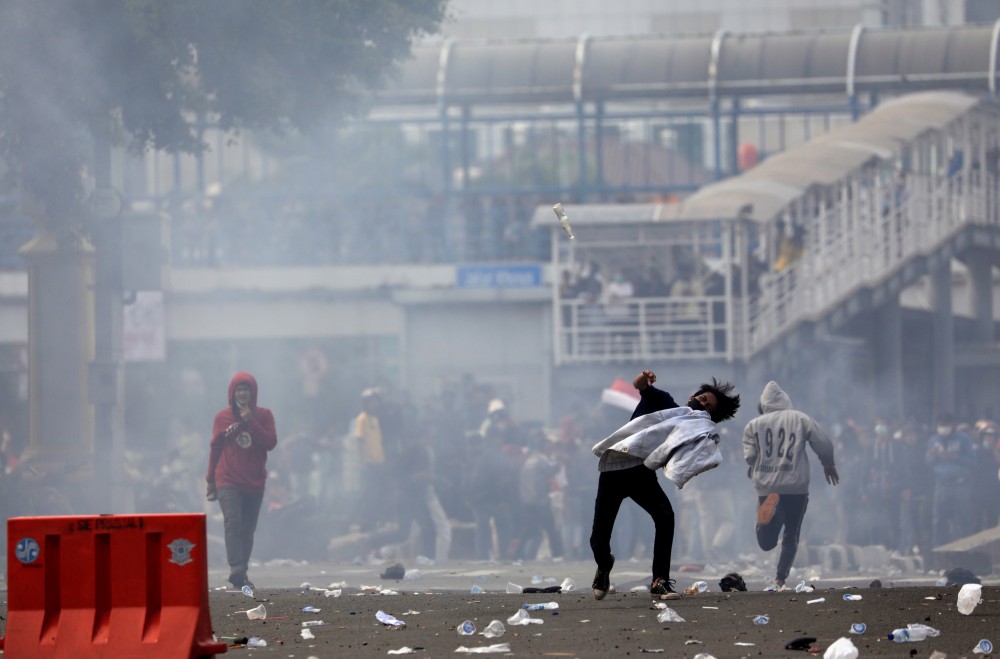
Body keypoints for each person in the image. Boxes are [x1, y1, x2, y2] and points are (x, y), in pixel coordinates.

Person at [589, 369, 741, 601]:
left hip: (642, 473)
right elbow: (640, 385)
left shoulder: (698, 429)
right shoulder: (664, 402)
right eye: (702, 397)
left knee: (665, 516)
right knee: (598, 539)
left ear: (711, 415)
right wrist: (643, 378)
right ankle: (604, 564)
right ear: (693, 395)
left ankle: (659, 581)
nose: (702, 402)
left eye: (708, 405)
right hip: (614, 470)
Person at [742, 381, 838, 592]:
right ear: (786, 401)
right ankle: (780, 579)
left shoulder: (753, 425)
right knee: (792, 534)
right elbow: (823, 442)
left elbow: (749, 457)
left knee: (766, 543)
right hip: (796, 486)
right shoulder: (800, 418)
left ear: (763, 404)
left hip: (767, 487)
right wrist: (828, 463)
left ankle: (770, 519)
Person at [205, 372, 278, 590]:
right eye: (239, 390)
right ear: (232, 393)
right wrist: (210, 480)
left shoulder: (264, 416)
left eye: (246, 389)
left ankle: (242, 572)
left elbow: (270, 443)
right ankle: (236, 568)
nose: (243, 393)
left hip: (254, 482)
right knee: (232, 521)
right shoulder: (222, 418)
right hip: (227, 479)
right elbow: (215, 448)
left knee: (247, 529)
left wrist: (251, 422)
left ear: (253, 392)